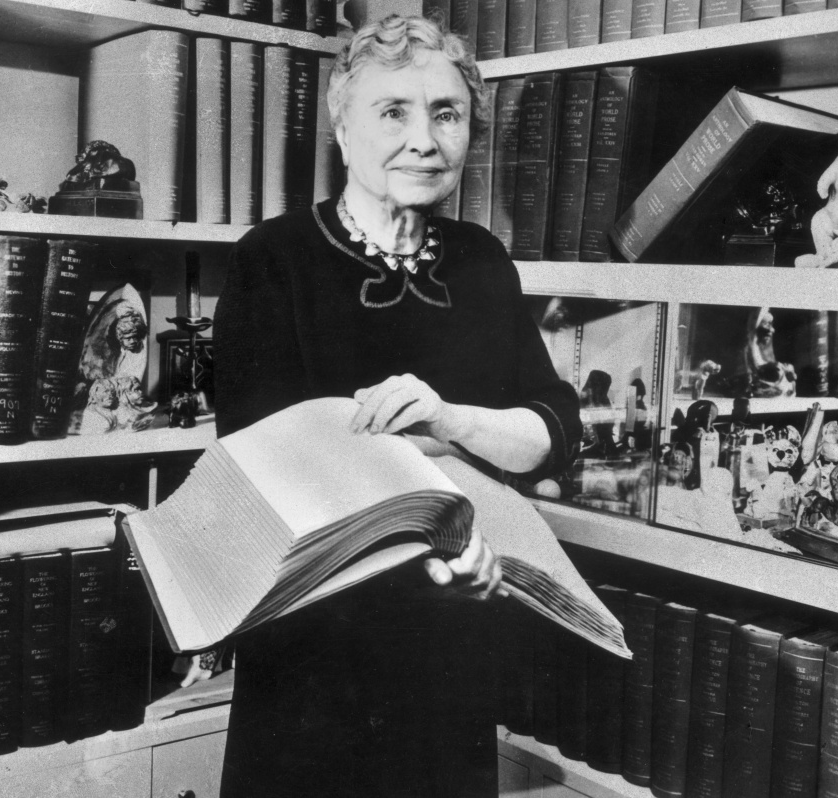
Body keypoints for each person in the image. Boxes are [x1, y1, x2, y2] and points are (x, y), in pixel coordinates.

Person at [211, 14, 581, 798]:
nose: (425, 139)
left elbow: (551, 430)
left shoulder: (482, 263)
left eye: (446, 113)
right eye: (395, 112)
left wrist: (449, 420)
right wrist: (450, 528)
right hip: (313, 658)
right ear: (343, 128)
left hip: (449, 651)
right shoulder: (272, 261)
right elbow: (265, 473)